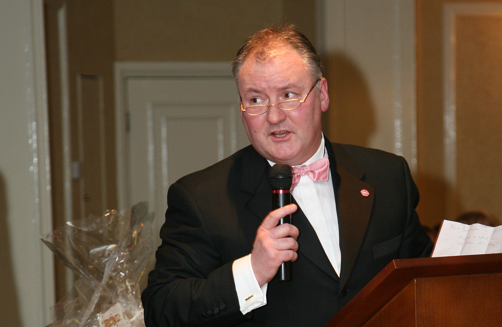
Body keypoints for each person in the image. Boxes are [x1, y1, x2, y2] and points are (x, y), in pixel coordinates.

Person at [141, 24, 433, 327]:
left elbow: (421, 281)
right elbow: (161, 308)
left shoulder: (387, 175)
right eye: (255, 100)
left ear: (322, 95)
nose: (274, 115)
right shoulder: (201, 197)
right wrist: (251, 272)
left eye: (289, 95)